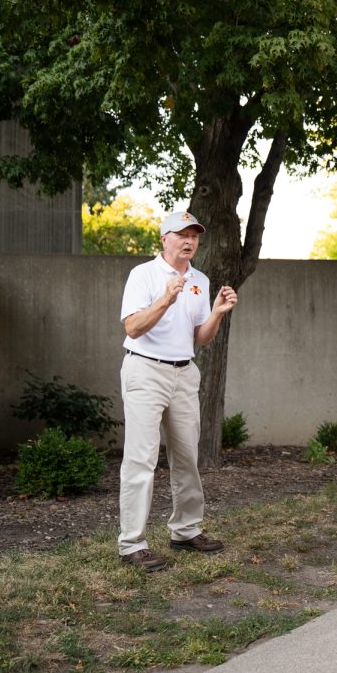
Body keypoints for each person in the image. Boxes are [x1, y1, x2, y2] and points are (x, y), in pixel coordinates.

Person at [117, 211, 237, 571]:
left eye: (194, 236)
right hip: (145, 369)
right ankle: (132, 545)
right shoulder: (144, 275)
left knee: (187, 456)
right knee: (141, 458)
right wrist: (165, 300)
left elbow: (199, 338)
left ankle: (185, 530)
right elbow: (134, 327)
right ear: (164, 239)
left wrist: (216, 313)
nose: (188, 242)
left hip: (184, 373)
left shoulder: (199, 280)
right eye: (181, 235)